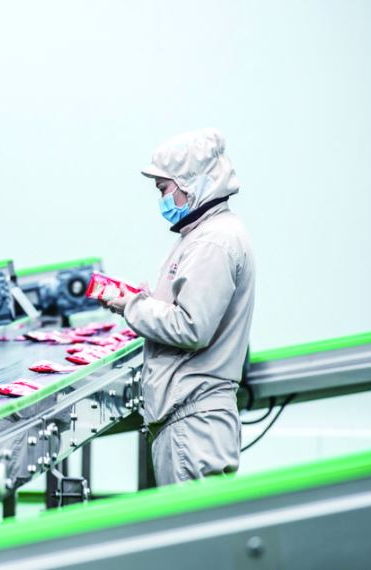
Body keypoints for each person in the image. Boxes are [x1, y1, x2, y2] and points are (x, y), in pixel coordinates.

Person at [96, 128, 255, 485]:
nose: (162, 199)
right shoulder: (205, 234)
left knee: (193, 520)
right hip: (191, 420)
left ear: (191, 183)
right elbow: (192, 309)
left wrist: (131, 306)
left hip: (193, 425)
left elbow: (191, 327)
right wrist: (148, 302)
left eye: (163, 189)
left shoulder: (213, 242)